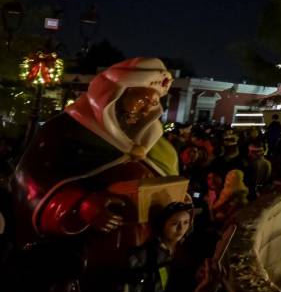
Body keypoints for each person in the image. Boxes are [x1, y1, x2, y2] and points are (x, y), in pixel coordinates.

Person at [12, 58, 185, 271]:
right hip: (79, 258)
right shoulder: (64, 132)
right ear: (115, 96)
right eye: (140, 101)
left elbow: (174, 192)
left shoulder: (161, 149)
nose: (145, 111)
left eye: (152, 103)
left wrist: (179, 212)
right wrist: (81, 206)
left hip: (141, 259)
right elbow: (31, 182)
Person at [126, 201, 194, 292]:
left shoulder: (184, 250)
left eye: (186, 222)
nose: (181, 228)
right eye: (174, 224)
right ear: (163, 225)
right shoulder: (144, 255)